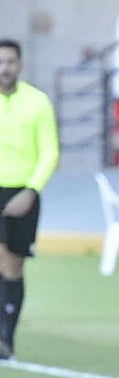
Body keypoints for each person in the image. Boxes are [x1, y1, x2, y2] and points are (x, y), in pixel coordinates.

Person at [0, 38, 59, 360]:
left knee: (12, 265)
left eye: (10, 62)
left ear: (20, 65)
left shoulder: (37, 102)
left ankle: (7, 337)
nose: (4, 68)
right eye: (0, 62)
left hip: (22, 191)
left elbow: (49, 151)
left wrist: (31, 191)